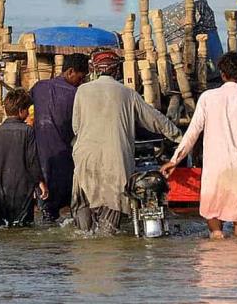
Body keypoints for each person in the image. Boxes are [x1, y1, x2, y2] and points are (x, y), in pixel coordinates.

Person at [71, 51, 183, 234]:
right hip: (116, 159)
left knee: (84, 202)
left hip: (85, 156)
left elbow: (76, 126)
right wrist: (179, 137)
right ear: (117, 71)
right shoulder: (127, 93)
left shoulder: (82, 91)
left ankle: (84, 238)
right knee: (112, 209)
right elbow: (156, 120)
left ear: (95, 70)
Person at [161, 52, 237, 238]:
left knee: (213, 216)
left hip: (216, 167)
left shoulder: (208, 98)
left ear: (222, 73)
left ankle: (216, 247)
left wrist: (174, 160)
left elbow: (192, 133)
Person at [30, 53, 89, 223]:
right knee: (67, 202)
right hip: (63, 155)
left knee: (47, 204)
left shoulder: (39, 87)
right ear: (70, 72)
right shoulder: (76, 94)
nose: (82, 81)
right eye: (81, 77)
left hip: (40, 156)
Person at [0, 88, 49, 227]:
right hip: (22, 187)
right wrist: (40, 182)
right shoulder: (27, 131)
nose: (28, 113)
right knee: (23, 226)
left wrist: (1, 171)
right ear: (21, 110)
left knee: (1, 226)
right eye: (27, 110)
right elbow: (32, 160)